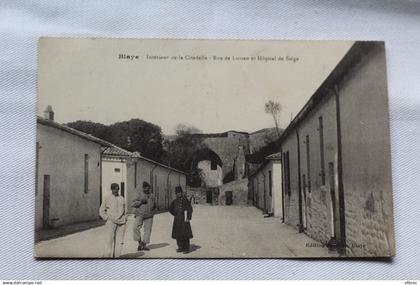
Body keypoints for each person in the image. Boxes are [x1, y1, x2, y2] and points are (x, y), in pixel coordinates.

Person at [99, 183, 127, 258]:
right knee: (109, 241)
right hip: (111, 222)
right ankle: (107, 258)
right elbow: (101, 211)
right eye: (114, 189)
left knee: (119, 242)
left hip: (121, 223)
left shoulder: (122, 198)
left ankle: (116, 257)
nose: (116, 190)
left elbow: (125, 210)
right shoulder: (107, 198)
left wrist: (125, 218)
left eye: (117, 189)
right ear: (111, 189)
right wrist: (107, 218)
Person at [131, 181, 156, 251]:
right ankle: (140, 242)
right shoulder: (139, 195)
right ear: (142, 188)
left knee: (148, 230)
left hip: (149, 216)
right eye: (145, 188)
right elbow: (132, 204)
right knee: (135, 227)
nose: (146, 190)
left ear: (149, 188)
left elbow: (155, 205)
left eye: (148, 188)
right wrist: (141, 202)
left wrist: (153, 212)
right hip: (139, 214)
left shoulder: (152, 196)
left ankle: (144, 245)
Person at [169, 186, 193, 253]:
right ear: (175, 194)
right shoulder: (174, 201)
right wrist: (175, 213)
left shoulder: (185, 200)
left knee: (185, 234)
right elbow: (170, 209)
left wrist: (188, 217)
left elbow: (189, 209)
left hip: (184, 219)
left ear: (182, 193)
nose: (179, 194)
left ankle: (186, 248)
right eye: (177, 193)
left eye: (180, 192)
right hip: (177, 220)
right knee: (178, 234)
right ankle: (180, 247)